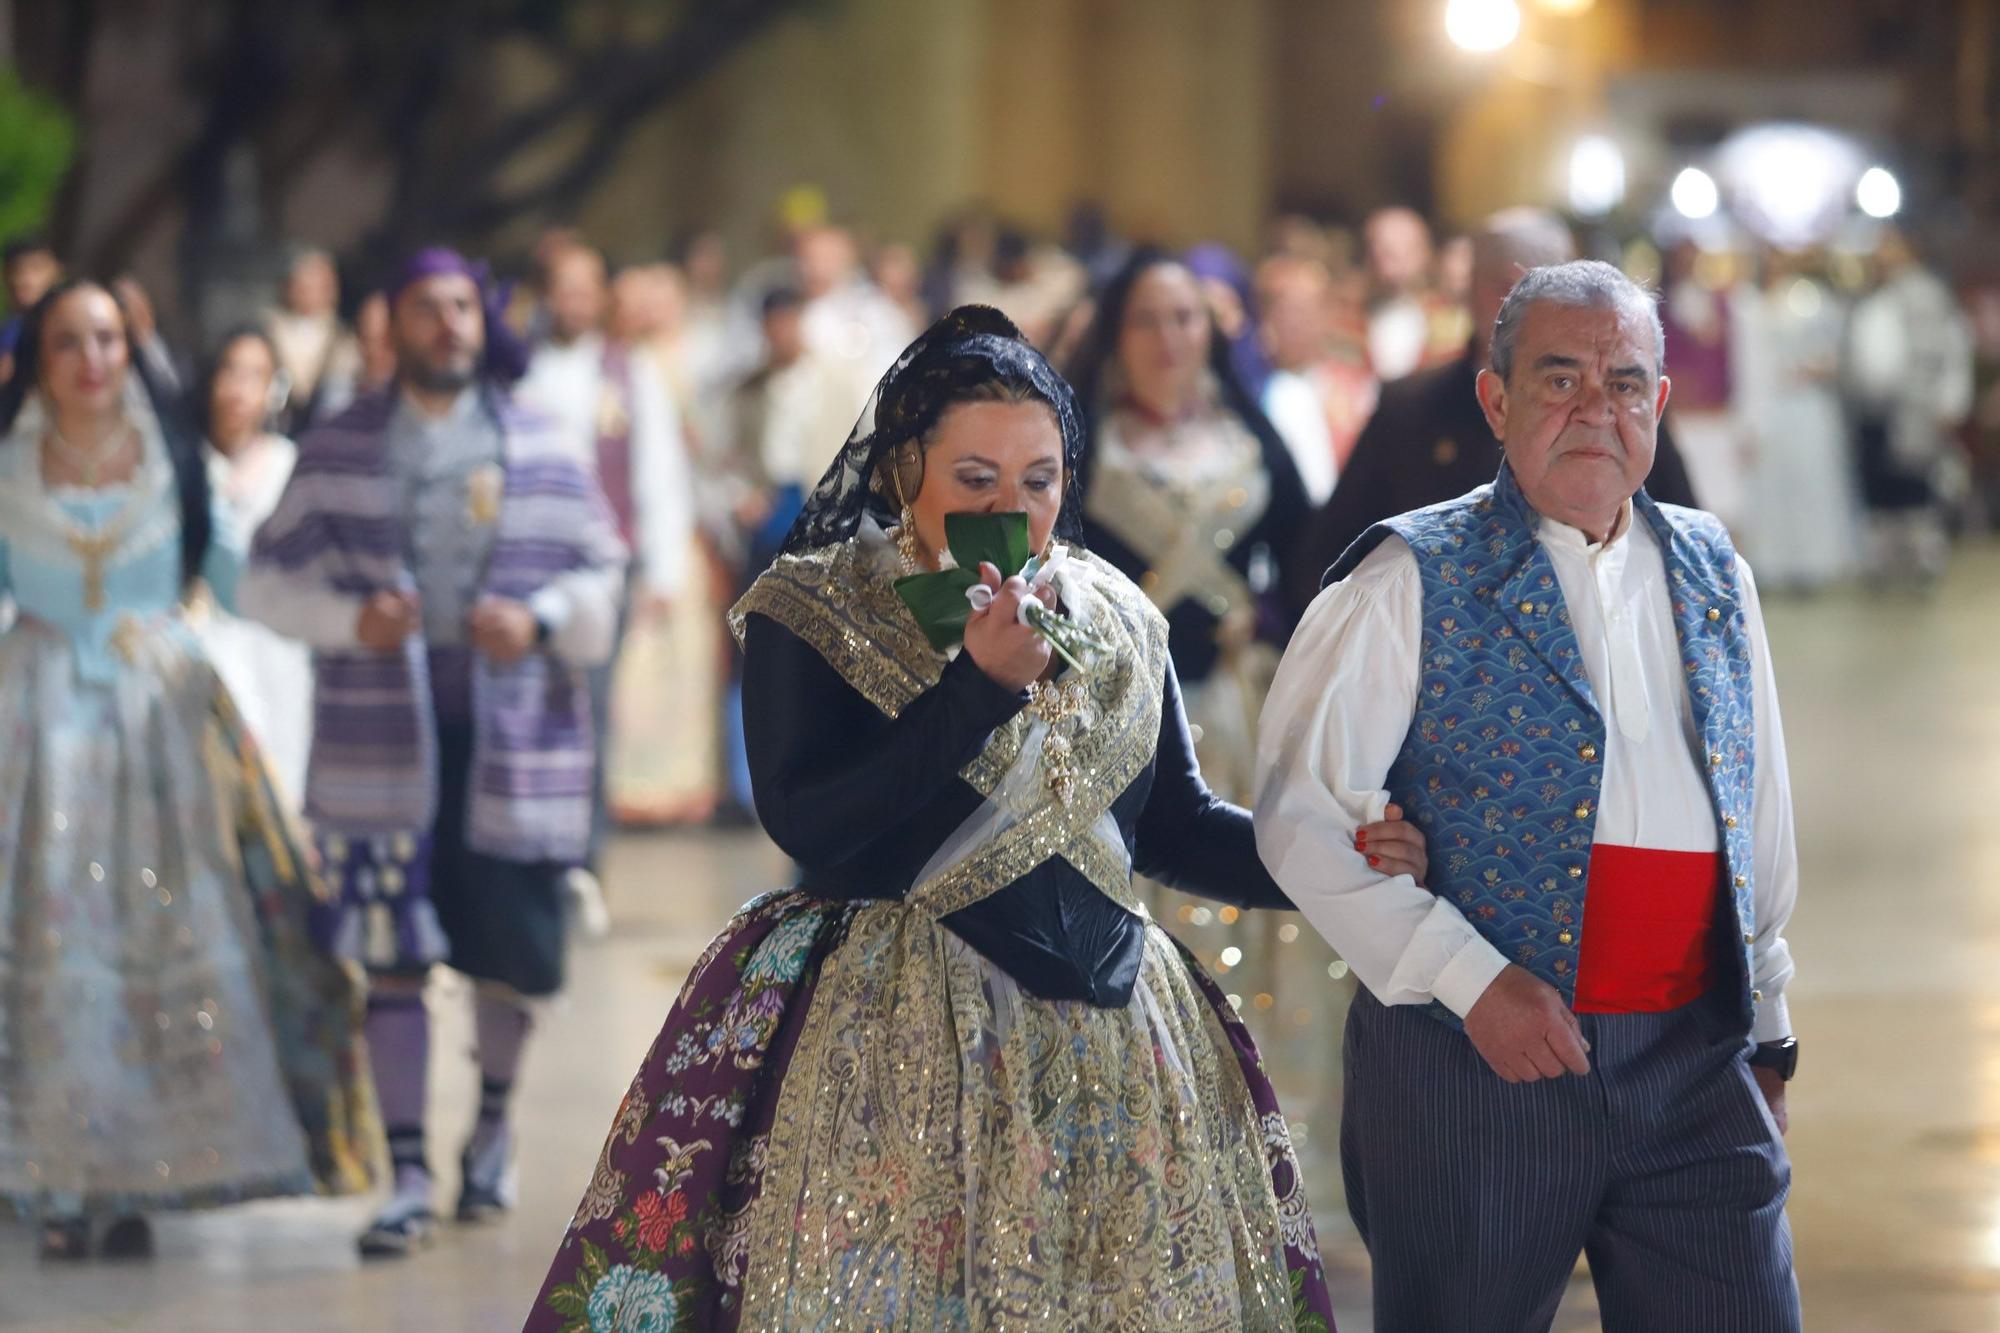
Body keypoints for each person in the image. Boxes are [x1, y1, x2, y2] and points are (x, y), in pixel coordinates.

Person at [525, 306, 1419, 1329]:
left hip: (1112, 1042)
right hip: (885, 1030)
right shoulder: (810, 606)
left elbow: (1171, 828)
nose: (1012, 507)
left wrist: (1331, 854)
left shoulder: (1118, 612)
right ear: (906, 469)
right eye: (974, 481)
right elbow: (811, 823)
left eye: (1038, 481)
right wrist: (976, 690)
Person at [1256, 260, 1803, 1330]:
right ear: (1494, 399)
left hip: (1692, 1058)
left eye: (1624, 382)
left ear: (1659, 402)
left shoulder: (1711, 570)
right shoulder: (1405, 577)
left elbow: (1754, 815)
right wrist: (1469, 981)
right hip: (1474, 1067)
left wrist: (1767, 1036)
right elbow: (1302, 818)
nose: (1594, 409)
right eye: (1559, 381)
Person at [241, 248, 626, 1258]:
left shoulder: (540, 444)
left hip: (515, 749)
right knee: (393, 957)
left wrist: (540, 620)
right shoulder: (337, 450)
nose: (448, 325)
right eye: (426, 309)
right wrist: (348, 617)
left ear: (483, 319)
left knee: (509, 961)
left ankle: (490, 1130)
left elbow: (602, 574)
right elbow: (263, 583)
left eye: (463, 307)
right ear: (394, 324)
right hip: (380, 746)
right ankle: (408, 1169)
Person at [0, 279, 376, 1259]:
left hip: (160, 728)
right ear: (39, 357)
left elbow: (239, 586)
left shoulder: (174, 463)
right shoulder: (5, 468)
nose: (92, 358)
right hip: (36, 732)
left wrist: (349, 617)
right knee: (53, 949)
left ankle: (134, 1178)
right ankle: (58, 1178)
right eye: (70, 340)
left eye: (109, 339)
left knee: (157, 944)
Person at [1287, 208, 1699, 614]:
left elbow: (1680, 545)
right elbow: (1332, 560)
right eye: (1506, 285)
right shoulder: (1409, 410)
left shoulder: (1619, 409)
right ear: (1496, 403)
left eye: (1549, 285)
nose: (1524, 303)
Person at [518, 243, 696, 865]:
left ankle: (582, 857)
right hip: (525, 568)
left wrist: (664, 568)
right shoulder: (521, 371)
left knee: (589, 712)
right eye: (562, 288)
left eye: (585, 288)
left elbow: (659, 470)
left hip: (603, 568)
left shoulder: (628, 373)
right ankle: (529, 848)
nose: (574, 301)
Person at [190, 325, 312, 805]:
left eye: (254, 375)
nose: (239, 388)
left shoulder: (290, 465)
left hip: (271, 647)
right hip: (199, 643)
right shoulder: (187, 464)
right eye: (230, 371)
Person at [1844, 226, 1975, 581]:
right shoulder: (1866, 296)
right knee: (1879, 489)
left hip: (1915, 410)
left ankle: (1923, 560)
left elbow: (1953, 349)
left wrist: (1952, 401)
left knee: (1917, 488)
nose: (1884, 255)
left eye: (1891, 246)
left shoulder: (1930, 295)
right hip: (1872, 411)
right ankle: (1884, 562)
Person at [1735, 250, 1861, 590]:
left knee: (1808, 481)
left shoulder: (1809, 299)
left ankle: (1811, 561)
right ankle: (1773, 562)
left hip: (1804, 406)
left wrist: (1806, 371)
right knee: (1771, 484)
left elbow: (1831, 356)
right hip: (1771, 406)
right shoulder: (1750, 302)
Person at [265, 247, 362, 435]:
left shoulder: (342, 338)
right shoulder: (270, 329)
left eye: (316, 282)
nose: (308, 289)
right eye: (303, 281)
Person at [0, 234, 62, 382]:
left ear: (56, 271)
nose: (24, 280)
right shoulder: (10, 328)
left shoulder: (66, 325)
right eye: (17, 270)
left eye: (36, 268)